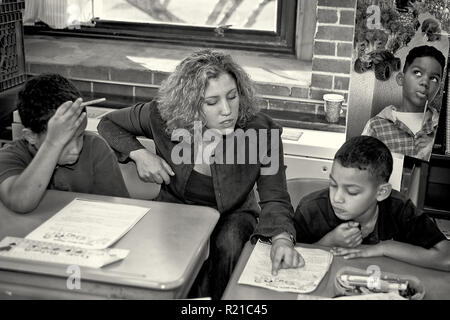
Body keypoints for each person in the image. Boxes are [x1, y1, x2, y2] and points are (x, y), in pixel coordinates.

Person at [97, 49, 304, 299]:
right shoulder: (161, 116)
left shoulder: (262, 132)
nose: (227, 110)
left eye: (232, 97)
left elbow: (276, 197)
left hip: (233, 214)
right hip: (176, 209)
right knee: (163, 266)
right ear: (191, 104)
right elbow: (108, 123)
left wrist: (282, 238)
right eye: (212, 102)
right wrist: (139, 154)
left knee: (228, 245)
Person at [294, 135, 450, 271]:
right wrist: (329, 242)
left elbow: (446, 258)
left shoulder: (399, 209)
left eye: (352, 192)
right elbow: (290, 257)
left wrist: (385, 248)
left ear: (381, 192)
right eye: (333, 184)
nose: (337, 198)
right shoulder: (311, 209)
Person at [0, 73, 129, 213]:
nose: (75, 149)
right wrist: (52, 145)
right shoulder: (11, 156)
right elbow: (20, 202)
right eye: (64, 141)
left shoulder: (96, 148)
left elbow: (120, 210)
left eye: (79, 136)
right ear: (31, 136)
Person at [362, 45, 446, 161]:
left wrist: (434, 152)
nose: (425, 82)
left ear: (438, 90)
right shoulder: (376, 126)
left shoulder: (443, 132)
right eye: (417, 73)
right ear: (401, 78)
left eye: (434, 78)